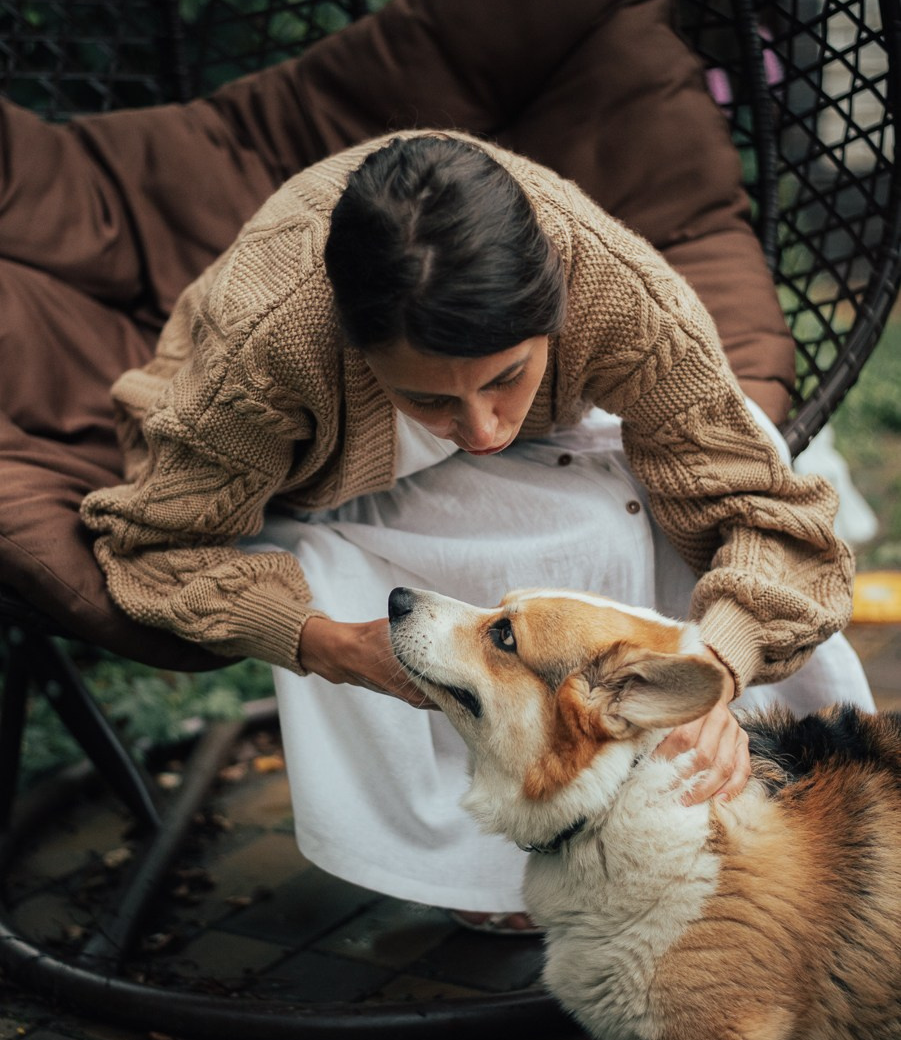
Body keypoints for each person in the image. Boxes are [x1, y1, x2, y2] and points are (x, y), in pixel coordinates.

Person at [81, 129, 872, 930]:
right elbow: (157, 544)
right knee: (547, 535)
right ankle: (497, 872)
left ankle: (766, 779)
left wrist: (712, 666)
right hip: (301, 469)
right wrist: (325, 642)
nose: (485, 428)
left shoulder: (612, 284)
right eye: (431, 399)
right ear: (357, 354)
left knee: (700, 476)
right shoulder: (268, 349)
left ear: (553, 314)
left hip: (554, 428)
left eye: (507, 378)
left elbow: (765, 508)